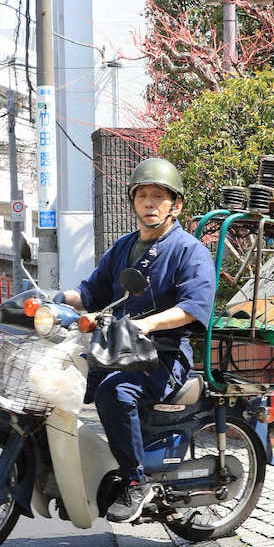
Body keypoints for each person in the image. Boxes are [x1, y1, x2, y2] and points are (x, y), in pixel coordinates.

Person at [56, 157, 216, 524]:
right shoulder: (124, 247)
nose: (149, 203)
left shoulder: (189, 251)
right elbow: (91, 291)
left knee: (115, 393)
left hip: (163, 356)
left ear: (176, 205)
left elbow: (194, 306)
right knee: (64, 383)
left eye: (159, 196)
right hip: (118, 349)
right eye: (142, 195)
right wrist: (53, 301)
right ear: (132, 202)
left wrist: (150, 324)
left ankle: (134, 480)